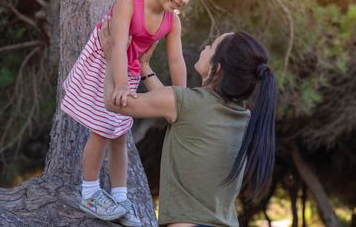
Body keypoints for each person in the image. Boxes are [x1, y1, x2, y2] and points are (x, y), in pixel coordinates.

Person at [60, 0, 202, 226]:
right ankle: (89, 193)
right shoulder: (128, 3)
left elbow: (176, 60)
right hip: (104, 63)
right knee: (101, 130)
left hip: (130, 69)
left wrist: (182, 97)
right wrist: (121, 84)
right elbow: (116, 45)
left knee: (120, 135)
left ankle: (120, 198)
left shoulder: (173, 21)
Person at [100, 19, 277, 227]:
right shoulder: (243, 118)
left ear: (217, 68)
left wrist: (112, 56)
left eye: (212, 46)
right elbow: (173, 107)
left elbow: (113, 102)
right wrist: (144, 68)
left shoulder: (188, 104)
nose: (205, 47)